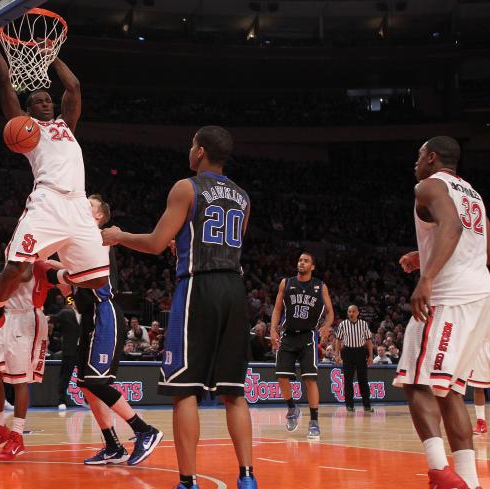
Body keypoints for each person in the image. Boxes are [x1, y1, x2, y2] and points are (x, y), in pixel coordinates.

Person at [102, 126, 257, 489]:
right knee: (234, 392)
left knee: (185, 389)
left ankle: (188, 481)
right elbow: (227, 246)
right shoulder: (243, 196)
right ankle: (247, 478)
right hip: (234, 288)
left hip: (198, 286)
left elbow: (157, 243)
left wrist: (120, 236)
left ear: (200, 151)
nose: (190, 150)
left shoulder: (186, 186)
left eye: (192, 145)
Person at [0, 38, 111, 351]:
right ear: (28, 109)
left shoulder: (67, 125)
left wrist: (51, 56)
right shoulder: (27, 129)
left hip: (78, 203)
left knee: (98, 280)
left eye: (48, 99)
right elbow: (4, 84)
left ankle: (55, 274)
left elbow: (74, 87)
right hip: (47, 202)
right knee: (15, 268)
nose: (46, 103)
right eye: (38, 101)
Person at [394, 136, 490, 489]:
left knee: (417, 382)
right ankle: (469, 481)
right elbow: (483, 244)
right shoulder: (473, 195)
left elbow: (452, 226)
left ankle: (438, 470)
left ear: (432, 157)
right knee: (450, 392)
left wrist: (427, 278)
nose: (416, 162)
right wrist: (423, 254)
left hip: (451, 297)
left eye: (419, 155)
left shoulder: (429, 186)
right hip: (481, 296)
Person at [74, 194, 162, 467]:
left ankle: (144, 430)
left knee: (97, 383)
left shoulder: (99, 236)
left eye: (89, 205)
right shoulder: (76, 240)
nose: (82, 206)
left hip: (105, 313)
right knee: (86, 386)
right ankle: (113, 445)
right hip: (88, 316)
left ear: (100, 216)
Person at [0, 260, 56, 460]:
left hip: (25, 317)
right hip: (2, 316)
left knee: (19, 381)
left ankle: (17, 436)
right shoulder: (11, 253)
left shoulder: (32, 257)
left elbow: (23, 276)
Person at [270, 252, 334, 439]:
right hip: (288, 335)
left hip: (308, 336)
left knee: (310, 380)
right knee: (281, 377)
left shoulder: (320, 286)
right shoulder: (286, 283)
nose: (301, 263)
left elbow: (330, 312)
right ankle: (292, 408)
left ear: (312, 266)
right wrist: (273, 329)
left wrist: (327, 325)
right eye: (299, 260)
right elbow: (277, 309)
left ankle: (314, 421)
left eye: (306, 261)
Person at [334, 305, 374, 413]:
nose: (351, 313)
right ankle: (349, 406)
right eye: (349, 311)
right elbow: (338, 340)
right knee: (348, 381)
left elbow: (369, 341)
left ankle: (367, 406)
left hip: (361, 352)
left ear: (357, 313)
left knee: (363, 380)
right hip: (347, 352)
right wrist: (337, 355)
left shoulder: (363, 324)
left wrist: (371, 356)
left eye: (353, 311)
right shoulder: (343, 324)